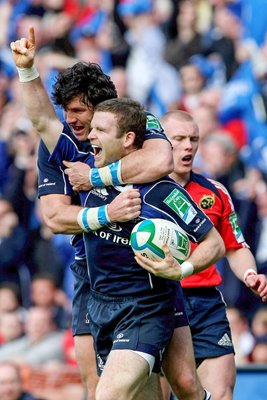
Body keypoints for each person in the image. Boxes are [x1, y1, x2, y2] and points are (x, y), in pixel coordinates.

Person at [10, 27, 174, 400]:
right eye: (66, 111)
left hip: (146, 275)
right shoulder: (58, 146)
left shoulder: (135, 123)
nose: (71, 119)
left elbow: (160, 160)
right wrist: (27, 70)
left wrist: (95, 177)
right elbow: (54, 217)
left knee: (171, 384)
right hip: (91, 277)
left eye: (80, 111)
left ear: (103, 110)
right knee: (97, 386)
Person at [48, 97, 224, 400]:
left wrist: (183, 268)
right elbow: (43, 122)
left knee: (108, 396)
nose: (91, 136)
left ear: (128, 139)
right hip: (101, 308)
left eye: (101, 130)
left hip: (145, 309)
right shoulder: (86, 176)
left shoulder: (161, 191)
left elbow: (214, 243)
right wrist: (26, 70)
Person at [136, 110, 267, 400]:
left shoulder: (215, 192)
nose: (188, 146)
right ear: (159, 141)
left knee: (220, 394)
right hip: (156, 301)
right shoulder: (138, 192)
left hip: (205, 302)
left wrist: (249, 274)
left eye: (193, 139)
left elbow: (235, 246)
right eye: (179, 138)